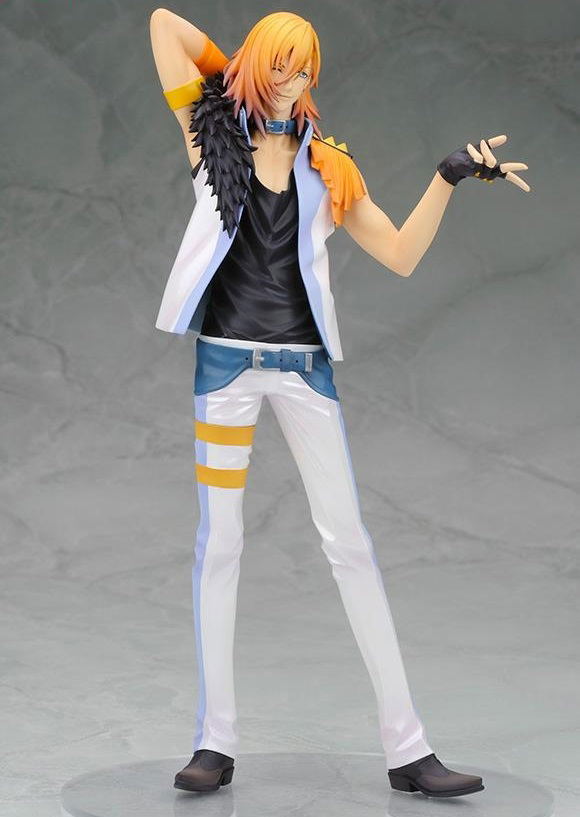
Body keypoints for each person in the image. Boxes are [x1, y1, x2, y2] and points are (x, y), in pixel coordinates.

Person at [149, 8, 530, 798]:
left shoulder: (329, 165)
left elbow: (399, 254)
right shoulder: (209, 135)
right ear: (258, 65)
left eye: (305, 69)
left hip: (303, 371)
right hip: (225, 369)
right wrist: (239, 76)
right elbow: (164, 26)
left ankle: (409, 748)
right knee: (220, 543)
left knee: (349, 543)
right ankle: (215, 741)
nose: (294, 82)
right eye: (281, 66)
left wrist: (447, 176)